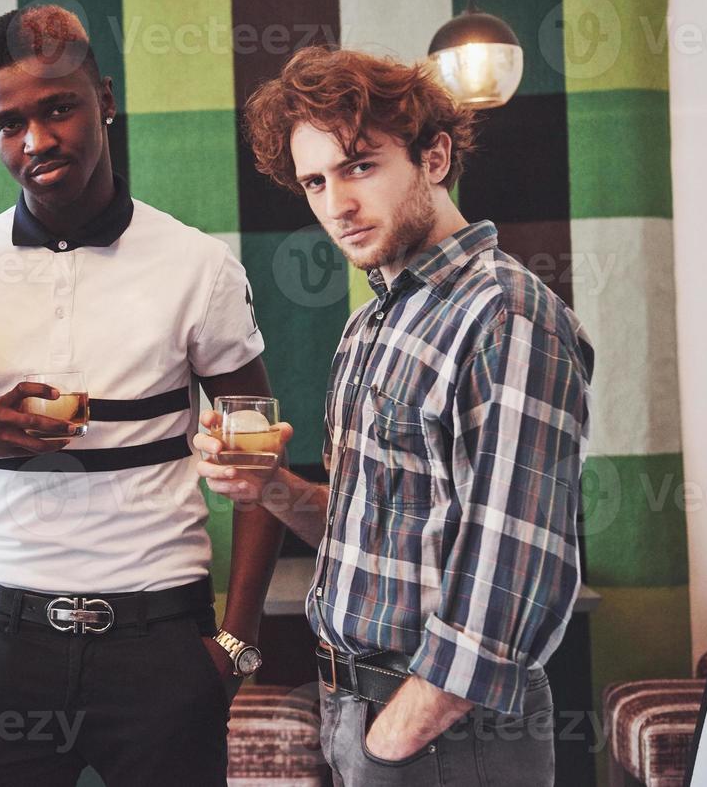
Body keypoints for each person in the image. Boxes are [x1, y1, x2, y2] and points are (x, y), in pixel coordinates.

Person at [0, 5, 285, 786]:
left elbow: (258, 472)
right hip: (7, 641)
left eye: (57, 108)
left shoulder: (196, 267)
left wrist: (235, 645)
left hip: (162, 646)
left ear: (103, 99)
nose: (35, 140)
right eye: (7, 123)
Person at [197, 46, 592, 785]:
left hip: (447, 732)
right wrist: (270, 487)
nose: (335, 206)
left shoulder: (504, 315)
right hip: (360, 710)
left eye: (358, 167)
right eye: (314, 181)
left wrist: (392, 742)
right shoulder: (372, 324)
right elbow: (369, 536)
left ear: (434, 157)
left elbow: (513, 574)